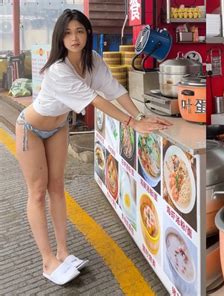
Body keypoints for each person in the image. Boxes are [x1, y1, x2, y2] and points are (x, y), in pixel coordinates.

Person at [15, 9, 171, 285]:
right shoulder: (58, 70)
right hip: (31, 129)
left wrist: (139, 117)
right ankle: (47, 259)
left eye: (79, 31)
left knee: (57, 188)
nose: (74, 38)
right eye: (67, 32)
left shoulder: (93, 61)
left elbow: (115, 90)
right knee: (38, 193)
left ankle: (63, 252)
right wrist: (131, 123)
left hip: (58, 128)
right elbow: (95, 101)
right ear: (59, 38)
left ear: (88, 33)